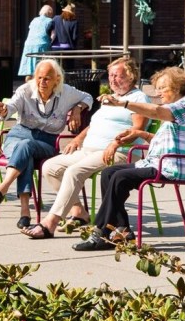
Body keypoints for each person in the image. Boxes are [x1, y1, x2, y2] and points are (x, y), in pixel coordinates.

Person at [73, 66, 185, 250]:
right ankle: (122, 229)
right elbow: (166, 141)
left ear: (177, 88)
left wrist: (123, 104)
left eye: (162, 88)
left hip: (172, 166)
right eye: (157, 88)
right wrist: (141, 134)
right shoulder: (179, 107)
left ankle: (100, 231)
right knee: (109, 173)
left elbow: (156, 112)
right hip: (159, 162)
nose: (158, 93)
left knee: (120, 177)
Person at [22, 57, 150, 239]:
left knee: (74, 171)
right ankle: (79, 212)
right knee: (50, 167)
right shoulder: (110, 98)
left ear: (130, 76)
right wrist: (78, 139)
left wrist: (115, 143)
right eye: (111, 75)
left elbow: (137, 129)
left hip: (119, 152)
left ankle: (50, 223)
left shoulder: (138, 98)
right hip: (89, 150)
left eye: (118, 76)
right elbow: (94, 124)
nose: (113, 80)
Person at [0, 59, 93, 230]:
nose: (42, 82)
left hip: (47, 141)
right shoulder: (25, 90)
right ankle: (24, 212)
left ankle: (4, 188)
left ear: (57, 79)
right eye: (39, 78)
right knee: (25, 152)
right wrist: (3, 110)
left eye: (47, 78)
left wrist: (77, 109)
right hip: (18, 135)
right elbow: (11, 107)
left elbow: (88, 97)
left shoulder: (66, 91)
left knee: (25, 147)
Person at [18, 5, 54, 77]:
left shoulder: (34, 20)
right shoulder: (50, 21)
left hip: (29, 45)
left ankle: (29, 79)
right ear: (50, 13)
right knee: (42, 67)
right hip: (42, 44)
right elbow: (53, 36)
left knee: (29, 68)